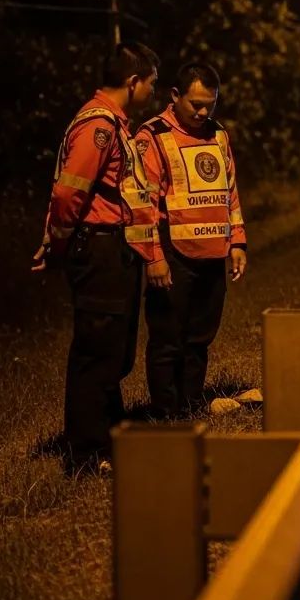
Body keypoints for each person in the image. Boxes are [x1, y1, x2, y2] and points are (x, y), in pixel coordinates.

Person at [32, 41, 167, 476]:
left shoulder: (114, 123)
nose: (153, 93)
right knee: (97, 350)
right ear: (133, 82)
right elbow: (69, 192)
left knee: (114, 349)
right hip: (100, 249)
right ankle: (85, 456)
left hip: (115, 248)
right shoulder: (99, 127)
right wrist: (57, 244)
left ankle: (111, 435)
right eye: (151, 83)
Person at [137, 62, 247, 418]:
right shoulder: (152, 136)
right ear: (175, 96)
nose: (202, 112)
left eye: (209, 105)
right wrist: (154, 257)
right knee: (168, 339)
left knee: (200, 338)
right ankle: (166, 413)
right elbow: (144, 205)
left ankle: (191, 404)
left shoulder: (218, 135)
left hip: (214, 253)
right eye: (195, 104)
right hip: (173, 253)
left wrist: (238, 242)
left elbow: (229, 193)